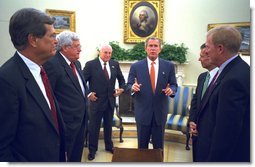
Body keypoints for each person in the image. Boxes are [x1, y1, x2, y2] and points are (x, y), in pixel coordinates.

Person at [0, 8, 66, 162]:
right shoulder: (7, 80)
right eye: (52, 36)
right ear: (33, 40)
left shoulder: (40, 71)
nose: (56, 41)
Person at [196, 25, 250, 162]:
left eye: (207, 47)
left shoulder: (233, 79)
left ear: (220, 49)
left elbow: (227, 133)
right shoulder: (234, 70)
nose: (205, 51)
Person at [43, 31, 88, 162]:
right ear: (65, 47)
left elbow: (79, 90)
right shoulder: (52, 64)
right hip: (65, 124)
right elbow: (49, 96)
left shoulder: (77, 64)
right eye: (76, 46)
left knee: (76, 157)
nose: (80, 49)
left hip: (80, 121)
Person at [127, 37, 177, 151]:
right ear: (145, 48)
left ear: (160, 49)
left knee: (159, 148)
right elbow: (128, 84)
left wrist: (171, 90)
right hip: (142, 113)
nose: (153, 48)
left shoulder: (169, 66)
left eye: (155, 46)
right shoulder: (136, 66)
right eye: (150, 46)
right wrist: (132, 88)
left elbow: (174, 85)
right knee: (142, 148)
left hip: (160, 113)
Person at [83, 44, 125, 161]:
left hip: (110, 101)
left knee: (108, 126)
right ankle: (92, 150)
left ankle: (109, 146)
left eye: (109, 53)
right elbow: (81, 81)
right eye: (105, 52)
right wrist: (88, 94)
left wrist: (121, 89)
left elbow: (122, 80)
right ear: (100, 52)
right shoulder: (91, 65)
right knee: (94, 127)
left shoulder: (114, 64)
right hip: (96, 102)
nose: (107, 55)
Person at [188, 43, 218, 162]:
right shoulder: (202, 77)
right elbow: (195, 101)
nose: (198, 59)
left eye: (201, 56)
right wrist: (192, 121)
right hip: (197, 135)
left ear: (209, 56)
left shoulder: (223, 79)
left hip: (211, 136)